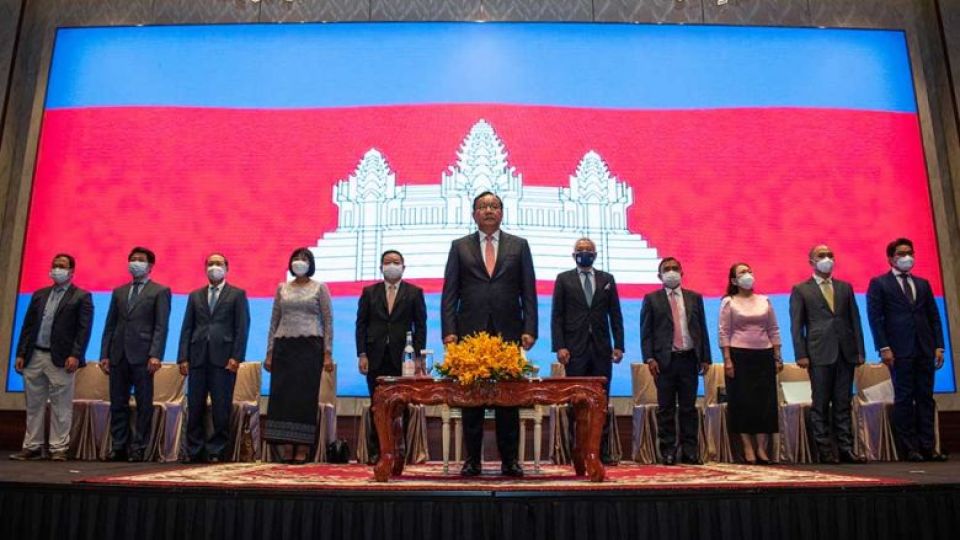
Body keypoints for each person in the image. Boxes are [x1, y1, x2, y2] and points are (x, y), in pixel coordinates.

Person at [441, 191, 537, 477]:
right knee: (472, 401)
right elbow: (450, 293)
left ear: (502, 212)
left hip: (508, 332)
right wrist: (449, 332)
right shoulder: (460, 247)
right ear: (473, 214)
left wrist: (529, 328)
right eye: (483, 206)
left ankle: (510, 461)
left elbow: (528, 291)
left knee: (508, 399)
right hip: (470, 333)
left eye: (494, 206)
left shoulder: (519, 246)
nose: (488, 210)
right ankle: (473, 460)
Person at [866, 237, 947, 462]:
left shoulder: (922, 283)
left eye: (909, 252)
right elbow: (876, 318)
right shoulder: (879, 283)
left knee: (925, 397)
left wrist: (939, 346)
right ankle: (910, 448)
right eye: (901, 254)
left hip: (925, 348)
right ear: (891, 258)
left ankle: (928, 446)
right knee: (904, 398)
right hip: (899, 350)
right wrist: (884, 347)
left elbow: (933, 316)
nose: (906, 257)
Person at [10, 254, 93, 461]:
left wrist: (76, 354)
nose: (57, 269)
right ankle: (32, 446)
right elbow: (27, 327)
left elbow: (84, 330)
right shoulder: (39, 294)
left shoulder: (81, 296)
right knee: (34, 404)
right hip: (34, 355)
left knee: (61, 405)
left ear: (72, 271)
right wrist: (21, 353)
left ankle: (58, 448)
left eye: (62, 266)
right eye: (55, 265)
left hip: (62, 359)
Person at [789, 245, 866, 464]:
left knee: (843, 402)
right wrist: (800, 354)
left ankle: (846, 448)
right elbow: (797, 326)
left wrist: (859, 350)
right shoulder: (801, 289)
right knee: (820, 403)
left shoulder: (845, 287)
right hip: (818, 353)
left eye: (830, 255)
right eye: (821, 256)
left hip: (845, 352)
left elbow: (855, 321)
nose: (827, 259)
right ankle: (825, 450)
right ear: (811, 261)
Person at [551, 237, 624, 465]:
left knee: (600, 401)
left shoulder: (607, 279)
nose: (585, 253)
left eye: (589, 250)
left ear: (595, 254)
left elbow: (616, 315)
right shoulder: (564, 279)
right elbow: (557, 316)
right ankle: (580, 451)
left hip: (601, 349)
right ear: (574, 255)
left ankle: (600, 451)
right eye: (580, 250)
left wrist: (619, 345)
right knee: (578, 402)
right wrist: (560, 346)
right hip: (575, 350)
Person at [100, 246, 172, 462]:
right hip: (118, 354)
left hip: (143, 356)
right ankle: (119, 446)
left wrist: (155, 354)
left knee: (143, 403)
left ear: (150, 266)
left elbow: (161, 326)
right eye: (132, 259)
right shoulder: (119, 292)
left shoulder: (160, 291)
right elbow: (110, 325)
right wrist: (105, 353)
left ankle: (139, 447)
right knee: (118, 402)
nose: (135, 263)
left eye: (140, 260)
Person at [177, 253, 251, 464]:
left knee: (221, 407)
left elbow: (242, 328)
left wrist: (236, 356)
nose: (214, 267)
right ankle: (195, 449)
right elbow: (187, 328)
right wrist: (183, 357)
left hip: (224, 360)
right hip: (198, 358)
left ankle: (217, 450)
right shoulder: (195, 295)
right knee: (195, 406)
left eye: (218, 264)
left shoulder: (237, 294)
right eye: (210, 264)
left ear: (226, 268)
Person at [356, 250, 427, 464]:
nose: (392, 265)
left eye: (396, 262)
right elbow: (361, 325)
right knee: (377, 405)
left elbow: (421, 326)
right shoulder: (369, 292)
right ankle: (377, 451)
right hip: (375, 356)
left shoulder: (414, 292)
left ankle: (398, 450)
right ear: (381, 268)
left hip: (402, 358)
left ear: (403, 267)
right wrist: (362, 354)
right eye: (388, 262)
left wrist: (417, 357)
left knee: (400, 405)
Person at [263, 247, 334, 464]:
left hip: (309, 347)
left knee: (303, 398)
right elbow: (274, 320)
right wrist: (270, 353)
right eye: (296, 258)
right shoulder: (282, 288)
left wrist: (327, 353)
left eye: (304, 259)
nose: (299, 262)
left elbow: (328, 321)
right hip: (284, 347)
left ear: (310, 263)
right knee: (282, 398)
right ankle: (286, 447)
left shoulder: (319, 288)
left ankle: (302, 448)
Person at [639, 257, 711, 465]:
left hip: (689, 359)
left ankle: (690, 451)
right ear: (659, 275)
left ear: (682, 272)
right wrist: (650, 358)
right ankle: (668, 451)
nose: (671, 272)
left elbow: (701, 329)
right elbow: (646, 332)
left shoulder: (694, 298)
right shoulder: (652, 299)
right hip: (664, 361)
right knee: (666, 408)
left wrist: (705, 357)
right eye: (666, 269)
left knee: (689, 408)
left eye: (675, 268)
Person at [718, 262, 782, 465]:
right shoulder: (729, 302)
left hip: (764, 355)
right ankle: (747, 448)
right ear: (734, 280)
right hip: (739, 355)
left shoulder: (765, 300)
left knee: (764, 402)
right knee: (743, 402)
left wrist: (777, 354)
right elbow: (724, 332)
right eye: (742, 272)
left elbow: (773, 328)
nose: (748, 275)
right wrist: (727, 359)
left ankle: (762, 449)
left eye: (749, 271)